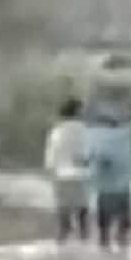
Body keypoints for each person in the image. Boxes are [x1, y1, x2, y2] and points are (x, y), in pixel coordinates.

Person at [85, 103, 131, 250]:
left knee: (105, 225)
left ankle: (107, 241)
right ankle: (120, 240)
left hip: (106, 186)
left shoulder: (95, 136)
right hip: (122, 185)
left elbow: (89, 157)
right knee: (122, 222)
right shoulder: (125, 134)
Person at [43, 97, 90, 243]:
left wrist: (50, 171)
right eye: (82, 110)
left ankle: (63, 233)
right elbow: (88, 153)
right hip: (81, 174)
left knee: (63, 207)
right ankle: (83, 235)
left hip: (61, 174)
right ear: (77, 112)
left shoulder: (57, 131)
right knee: (82, 207)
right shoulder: (85, 130)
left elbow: (51, 155)